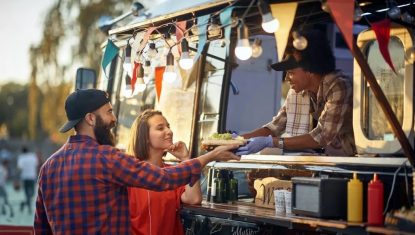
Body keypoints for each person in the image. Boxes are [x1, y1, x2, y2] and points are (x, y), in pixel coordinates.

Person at [34, 89, 240, 234]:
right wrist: (211, 156)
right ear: (90, 118)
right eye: (109, 112)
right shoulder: (106, 158)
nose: (114, 119)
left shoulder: (48, 167)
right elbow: (163, 179)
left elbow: (40, 228)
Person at [236, 29, 355, 156]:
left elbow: (321, 136)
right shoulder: (296, 92)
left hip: (350, 159)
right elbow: (275, 127)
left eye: (291, 72)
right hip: (315, 160)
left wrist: (271, 142)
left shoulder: (339, 86)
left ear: (310, 70)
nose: (286, 78)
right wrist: (238, 140)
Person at [127, 110, 201, 235]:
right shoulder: (128, 172)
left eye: (168, 126)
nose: (169, 131)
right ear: (144, 137)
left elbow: (193, 199)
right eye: (160, 128)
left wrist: (186, 159)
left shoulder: (172, 172)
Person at [17, 146, 39, 213]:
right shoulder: (33, 156)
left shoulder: (21, 157)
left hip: (25, 177)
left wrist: (17, 177)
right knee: (32, 193)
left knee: (28, 194)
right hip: (32, 177)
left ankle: (23, 203)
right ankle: (29, 208)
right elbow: (37, 165)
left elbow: (19, 168)